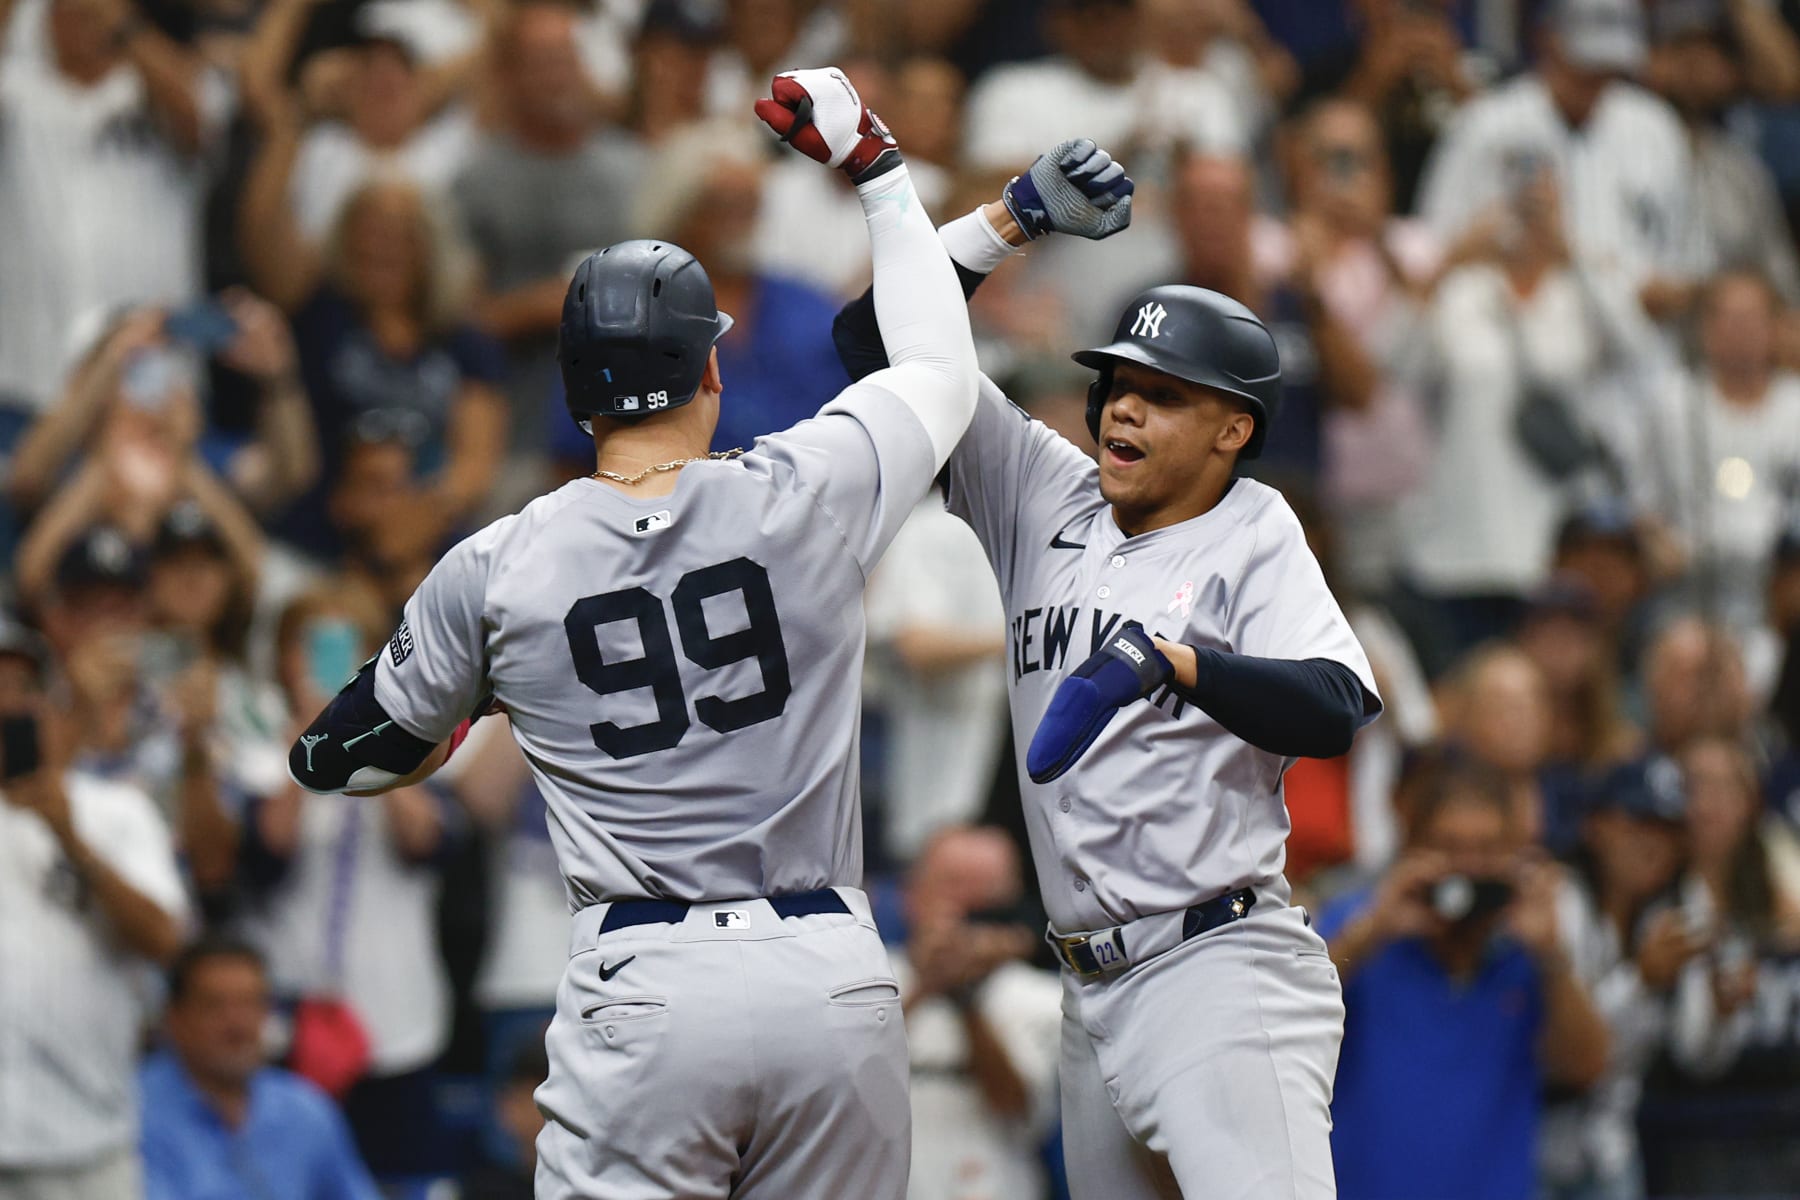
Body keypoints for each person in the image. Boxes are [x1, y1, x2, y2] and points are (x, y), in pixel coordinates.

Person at [286, 66, 977, 1199]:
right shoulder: (806, 488)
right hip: (829, 969)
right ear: (710, 367)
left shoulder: (498, 564)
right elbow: (942, 368)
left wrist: (472, 710)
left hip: (647, 978)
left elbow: (337, 759)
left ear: (574, 395)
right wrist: (880, 173)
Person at [836, 139, 1380, 1198]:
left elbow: (1334, 704)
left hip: (1218, 969)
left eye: (1163, 395)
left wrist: (1176, 665)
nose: (1124, 409)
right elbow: (872, 343)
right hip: (1085, 984)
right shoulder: (1041, 488)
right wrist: (1009, 222)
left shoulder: (1254, 526)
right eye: (1117, 386)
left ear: (1232, 429)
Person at [1319, 757, 1610, 1200]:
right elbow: (1284, 1021)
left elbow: (1586, 1067)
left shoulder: (1528, 952)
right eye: (1449, 847)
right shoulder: (1361, 924)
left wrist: (1551, 956)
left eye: (1488, 849)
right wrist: (1373, 931)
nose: (1469, 868)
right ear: (1413, 849)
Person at [0, 611, 189, 1200]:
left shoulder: (115, 810)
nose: (7, 706)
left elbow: (164, 940)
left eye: (22, 687)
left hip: (89, 1142)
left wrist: (71, 839)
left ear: (50, 704)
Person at [0, 0, 226, 423]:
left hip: (156, 397)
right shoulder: (17, 88)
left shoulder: (167, 82)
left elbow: (197, 121)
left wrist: (125, 27)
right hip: (24, 390)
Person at [138, 939, 380, 1200]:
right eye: (214, 1006)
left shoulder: (304, 1110)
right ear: (174, 1018)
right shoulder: (137, 1112)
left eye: (249, 1003)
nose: (237, 1025)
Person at [895, 827, 1060, 1200]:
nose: (967, 904)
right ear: (911, 894)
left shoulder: (1044, 997)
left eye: (987, 890)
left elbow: (1017, 1108)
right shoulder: (868, 982)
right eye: (953, 884)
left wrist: (965, 997)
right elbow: (839, 1088)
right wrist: (928, 985)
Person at [864, 491, 1008, 864]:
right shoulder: (930, 528)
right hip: (914, 766)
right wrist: (1017, 641)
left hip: (983, 760)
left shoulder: (1010, 525)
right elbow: (917, 645)